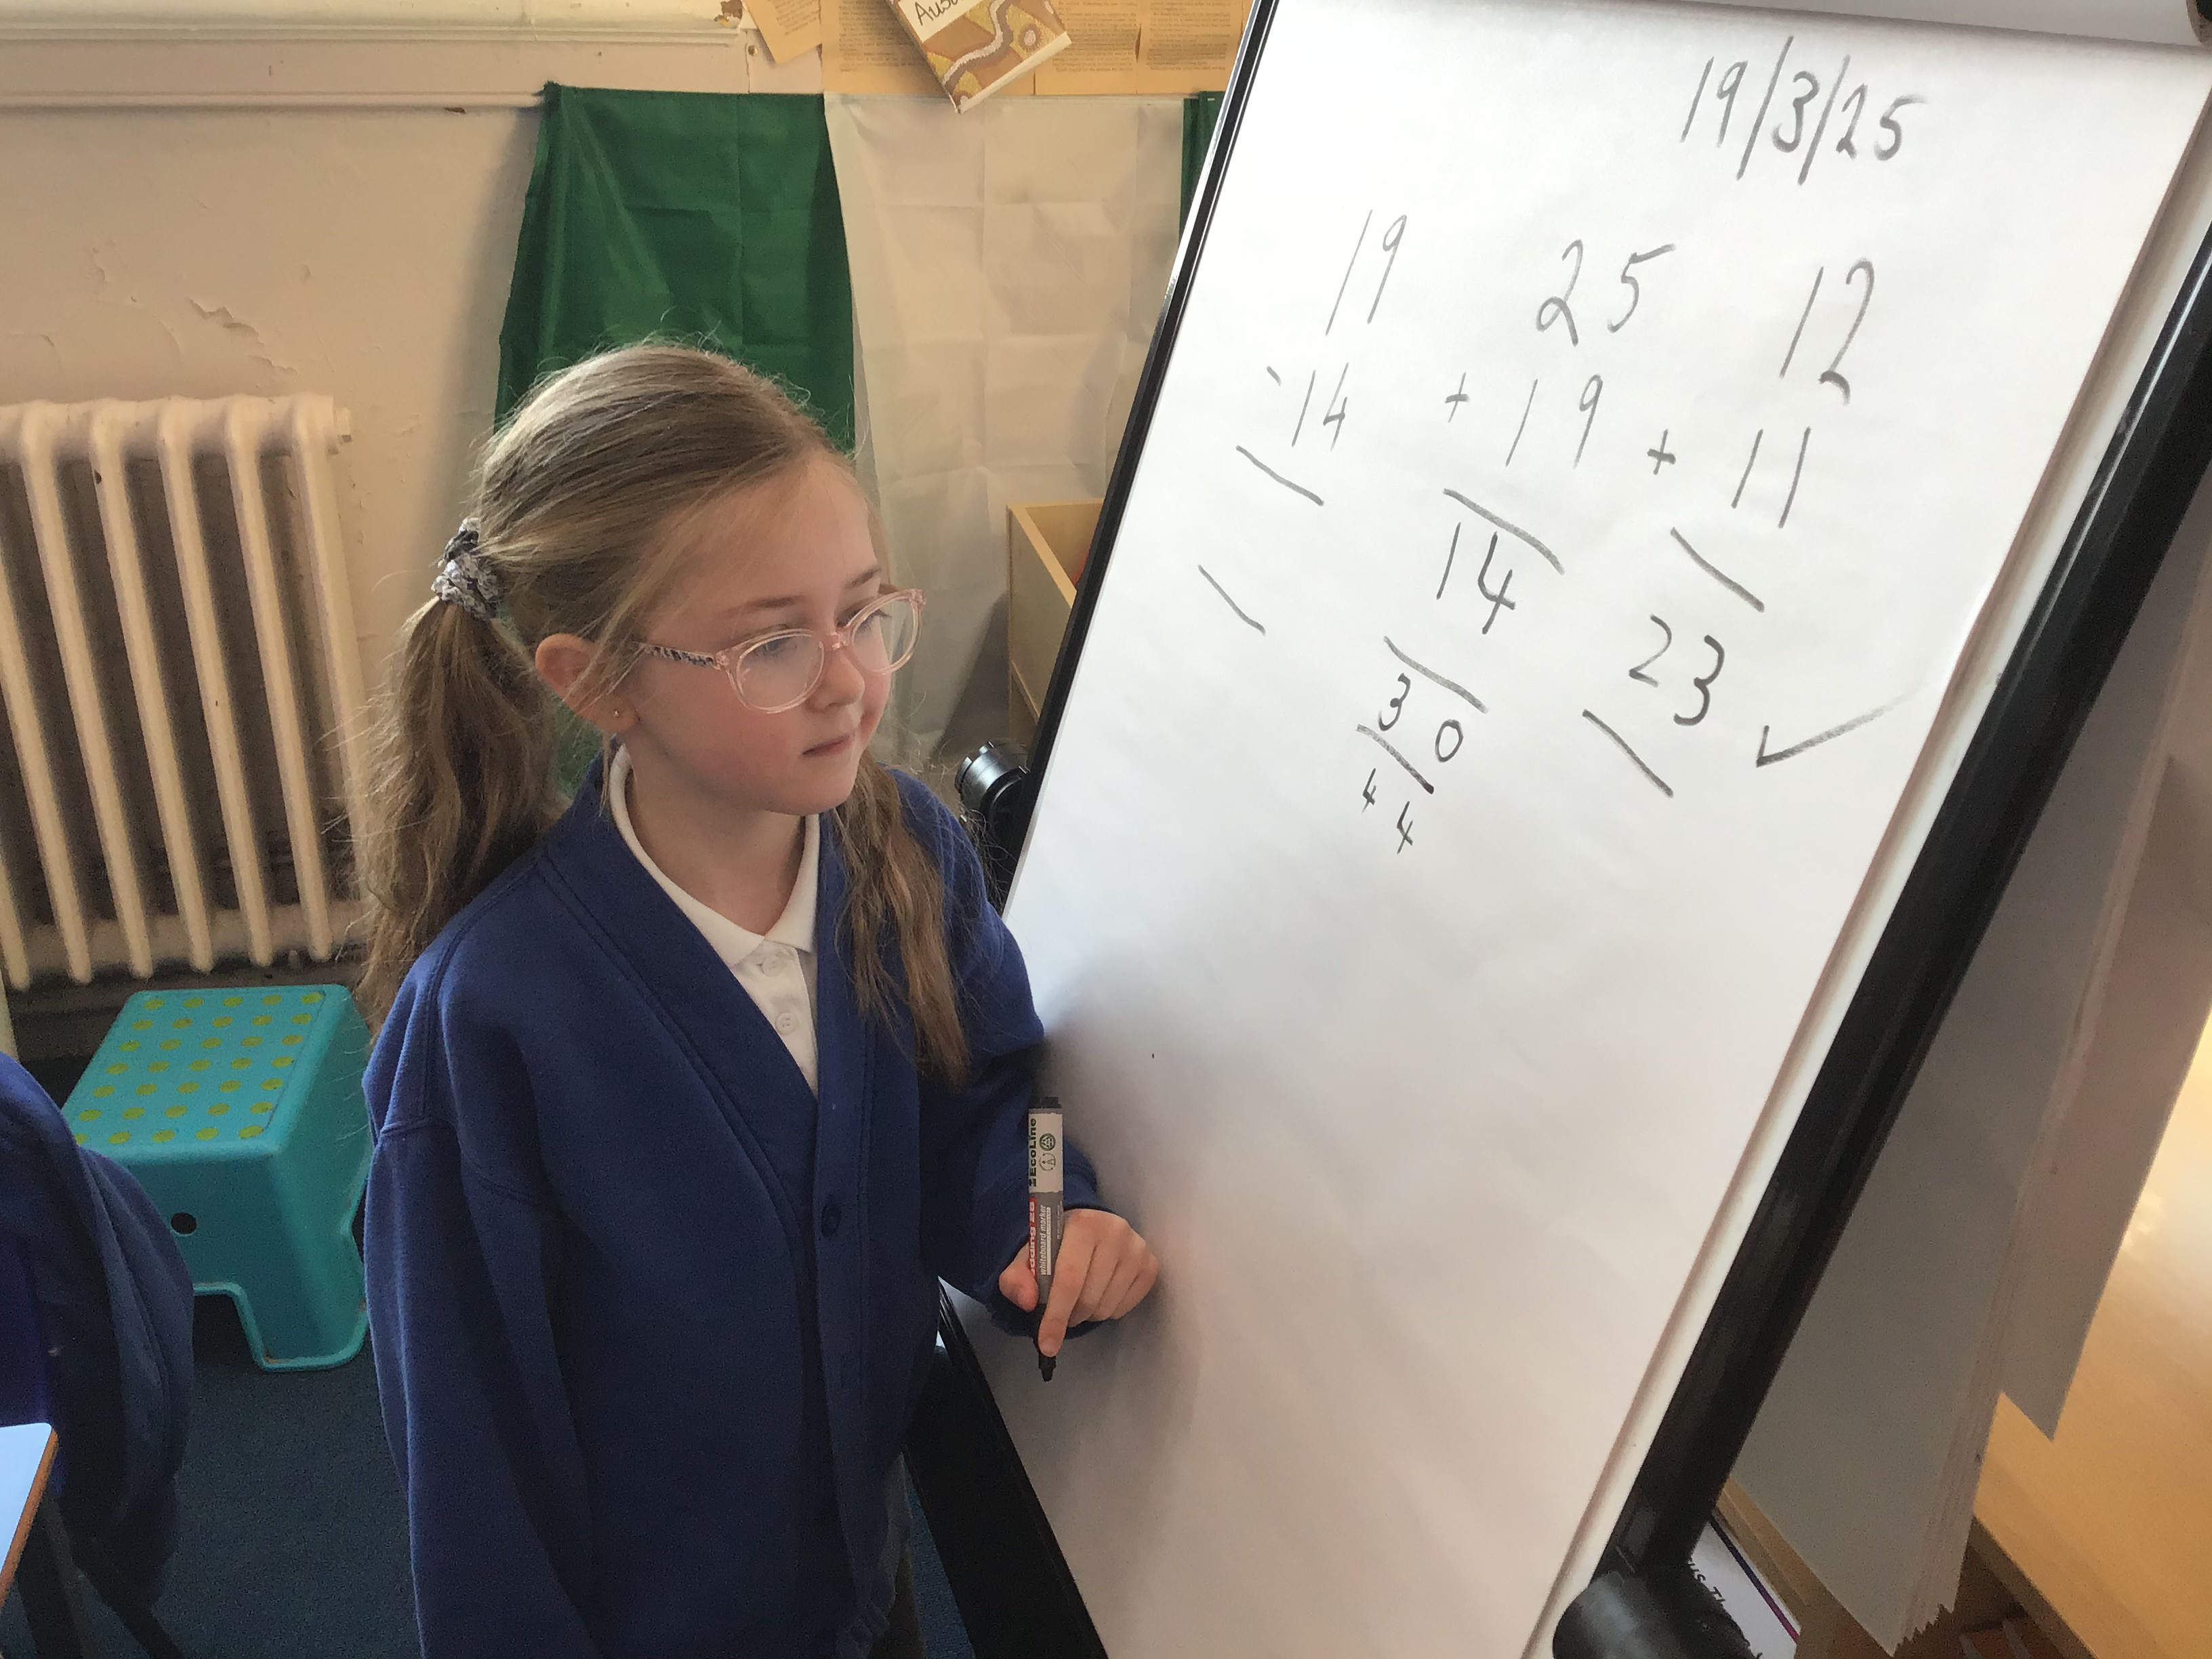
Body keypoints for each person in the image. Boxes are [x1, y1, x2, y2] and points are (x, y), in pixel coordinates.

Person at [357, 343, 1159, 1659]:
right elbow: (475, 1463)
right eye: (773, 645)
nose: (849, 679)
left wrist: (1042, 1216)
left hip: (857, 1574)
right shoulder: (489, 1025)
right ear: (595, 681)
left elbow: (993, 1099)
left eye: (865, 611)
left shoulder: (909, 852)